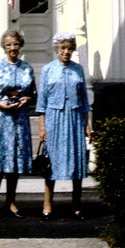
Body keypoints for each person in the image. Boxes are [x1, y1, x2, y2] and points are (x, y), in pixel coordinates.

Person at [36, 31, 92, 220]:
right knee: (51, 162)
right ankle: (47, 204)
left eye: (69, 48)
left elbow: (84, 99)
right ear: (56, 49)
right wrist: (42, 126)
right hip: (54, 118)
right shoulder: (48, 69)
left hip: (75, 118)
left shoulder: (78, 70)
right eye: (62, 48)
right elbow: (42, 101)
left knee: (77, 162)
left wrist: (87, 124)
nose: (66, 52)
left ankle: (76, 205)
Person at [0, 28, 36, 219]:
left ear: (20, 45)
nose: (12, 48)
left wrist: (26, 100)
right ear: (3, 47)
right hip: (0, 119)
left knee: (15, 163)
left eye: (15, 44)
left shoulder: (27, 68)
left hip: (19, 120)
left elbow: (32, 93)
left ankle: (11, 202)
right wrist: (3, 105)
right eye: (8, 45)